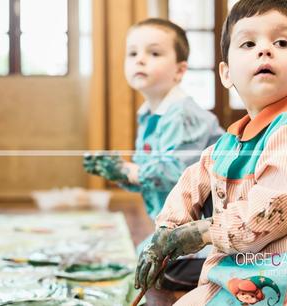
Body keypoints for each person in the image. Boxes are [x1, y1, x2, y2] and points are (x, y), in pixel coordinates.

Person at [135, 1, 287, 305]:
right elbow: (190, 184)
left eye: (280, 42)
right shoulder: (235, 139)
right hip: (245, 272)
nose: (265, 50)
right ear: (226, 74)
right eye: (248, 43)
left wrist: (198, 232)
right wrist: (165, 232)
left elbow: (263, 220)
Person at [83, 18, 224, 297]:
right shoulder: (147, 113)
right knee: (143, 257)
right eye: (133, 53)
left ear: (180, 70)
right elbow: (150, 176)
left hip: (211, 220)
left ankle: (223, 266)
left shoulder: (181, 112)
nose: (141, 60)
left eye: (154, 53)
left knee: (159, 271)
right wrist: (119, 173)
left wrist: (128, 170)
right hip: (179, 218)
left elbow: (176, 173)